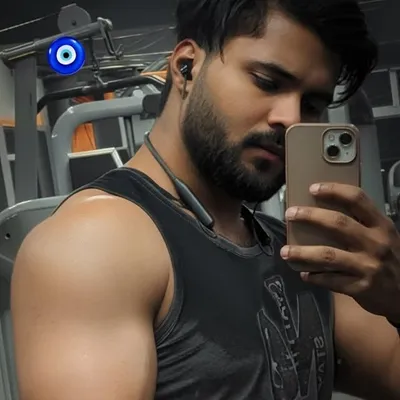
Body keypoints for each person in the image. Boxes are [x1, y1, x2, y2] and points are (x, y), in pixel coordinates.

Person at [10, 0, 400, 399]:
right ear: (186, 67)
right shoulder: (96, 243)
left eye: (312, 104)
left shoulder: (293, 249)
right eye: (267, 82)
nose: (291, 118)